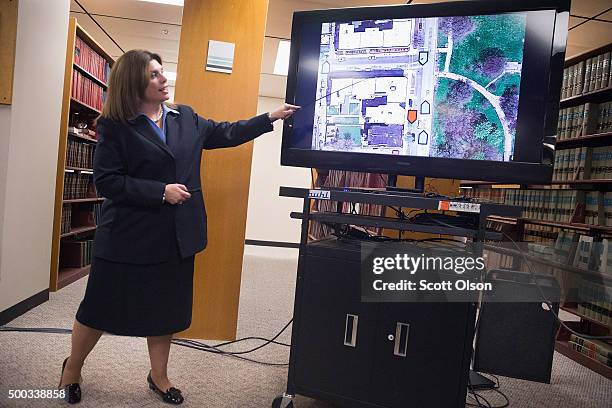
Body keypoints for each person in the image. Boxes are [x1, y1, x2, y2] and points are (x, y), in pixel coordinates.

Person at [57, 49, 299, 405]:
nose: (163, 79)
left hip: (176, 236)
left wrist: (270, 117)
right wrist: (160, 192)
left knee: (164, 310)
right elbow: (107, 181)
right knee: (98, 308)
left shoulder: (185, 117)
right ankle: (72, 368)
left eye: (161, 72)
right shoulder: (114, 125)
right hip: (127, 234)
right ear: (134, 83)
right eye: (154, 75)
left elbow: (226, 132)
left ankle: (159, 375)